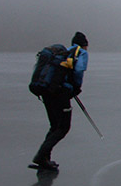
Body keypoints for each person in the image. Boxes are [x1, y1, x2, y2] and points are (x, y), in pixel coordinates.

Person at [32, 32, 89, 171]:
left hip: (47, 91)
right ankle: (41, 156)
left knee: (54, 125)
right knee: (63, 127)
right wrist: (76, 88)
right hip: (60, 93)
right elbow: (79, 70)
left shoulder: (64, 52)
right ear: (84, 45)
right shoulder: (80, 53)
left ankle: (45, 159)